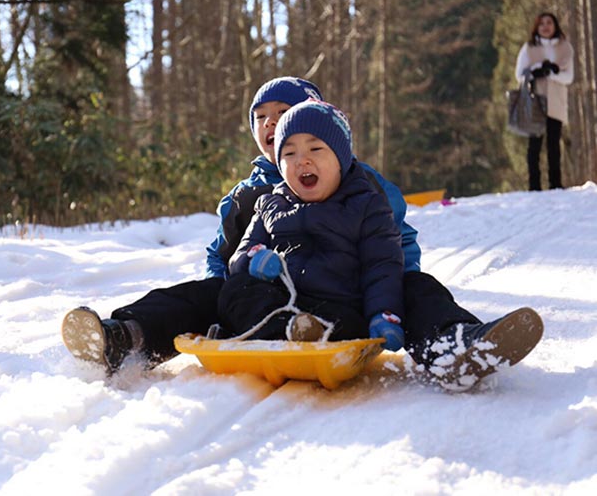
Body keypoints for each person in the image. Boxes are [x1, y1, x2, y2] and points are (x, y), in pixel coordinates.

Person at [62, 77, 543, 391]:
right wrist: (243, 271)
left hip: (350, 296)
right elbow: (226, 253)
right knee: (198, 293)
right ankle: (124, 336)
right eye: (265, 120)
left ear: (339, 153)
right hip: (268, 301)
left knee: (416, 289)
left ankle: (456, 345)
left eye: (287, 117)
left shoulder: (363, 191)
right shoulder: (258, 195)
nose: (274, 128)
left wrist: (387, 307)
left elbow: (389, 254)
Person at [217, 99, 406, 348]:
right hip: (283, 304)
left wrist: (382, 313)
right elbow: (238, 258)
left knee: (363, 314)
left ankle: (297, 333)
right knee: (235, 289)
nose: (301, 161)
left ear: (341, 159)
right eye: (289, 153)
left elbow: (381, 266)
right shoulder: (270, 205)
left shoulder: (367, 206)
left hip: (339, 307)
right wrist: (253, 260)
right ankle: (285, 332)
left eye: (315, 149)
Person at [514, 12, 574, 191]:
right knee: (534, 146)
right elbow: (519, 75)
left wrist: (552, 74)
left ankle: (555, 183)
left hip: (556, 102)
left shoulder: (565, 48)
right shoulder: (528, 48)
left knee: (554, 144)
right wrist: (535, 71)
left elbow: (569, 77)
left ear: (555, 26)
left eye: (549, 23)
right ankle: (534, 185)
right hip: (535, 101)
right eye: (542, 24)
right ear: (536, 27)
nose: (546, 27)